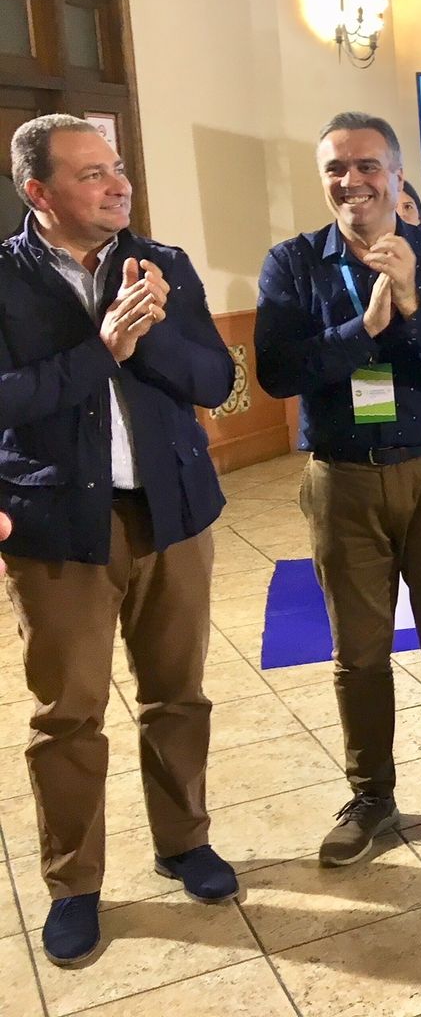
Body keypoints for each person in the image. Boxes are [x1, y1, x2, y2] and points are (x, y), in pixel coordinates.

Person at [1, 114, 238, 966]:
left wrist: (152, 337)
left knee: (179, 693)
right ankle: (75, 884)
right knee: (69, 713)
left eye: (118, 168)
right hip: (61, 526)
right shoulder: (5, 278)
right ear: (38, 191)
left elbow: (217, 377)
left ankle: (185, 841)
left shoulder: (162, 265)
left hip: (171, 513)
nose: (118, 184)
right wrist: (103, 348)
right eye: (92, 173)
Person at [255, 111, 421, 867]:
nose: (350, 181)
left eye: (366, 166)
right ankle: (371, 796)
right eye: (335, 168)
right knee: (357, 653)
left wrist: (414, 304)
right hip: (342, 479)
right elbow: (278, 372)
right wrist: (363, 327)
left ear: (396, 175)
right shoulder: (292, 264)